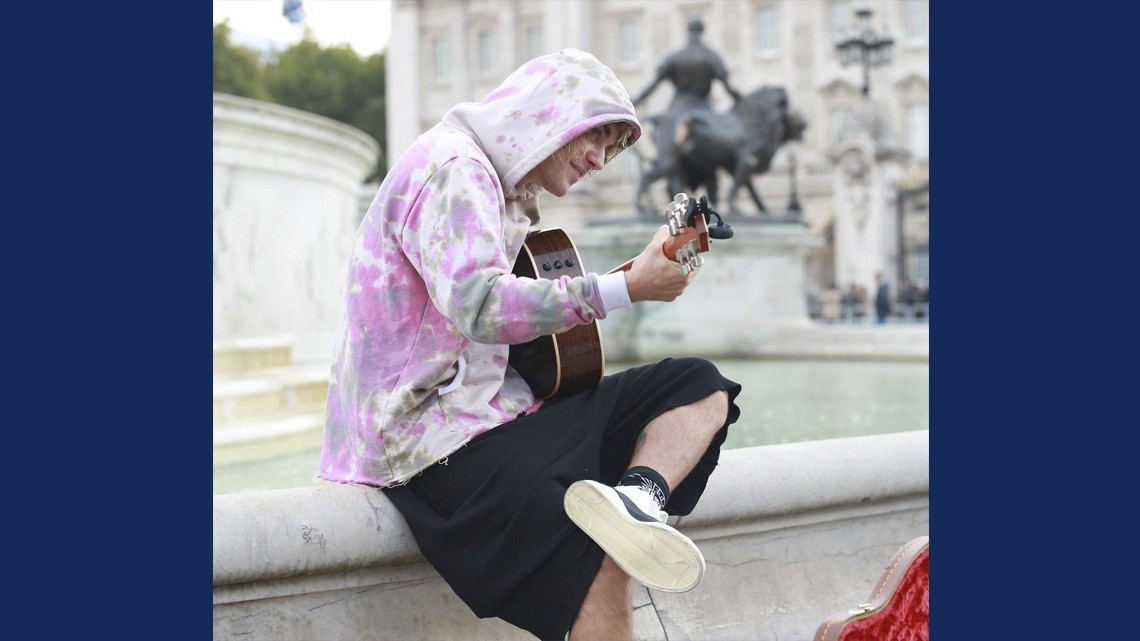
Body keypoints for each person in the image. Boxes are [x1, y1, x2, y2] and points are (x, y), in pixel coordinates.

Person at [319, 48, 742, 641]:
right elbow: (482, 305)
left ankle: (635, 504)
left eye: (615, 145)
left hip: (497, 418)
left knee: (696, 385)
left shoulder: (504, 194)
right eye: (595, 135)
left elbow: (514, 318)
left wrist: (635, 275)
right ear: (550, 115)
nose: (600, 159)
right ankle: (614, 526)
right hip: (424, 441)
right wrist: (622, 287)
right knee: (590, 553)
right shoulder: (454, 168)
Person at [631, 18, 743, 208]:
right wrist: (742, 100)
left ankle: (644, 199)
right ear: (702, 31)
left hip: (677, 110)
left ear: (688, 32)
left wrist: (633, 102)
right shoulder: (711, 56)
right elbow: (729, 88)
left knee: (666, 163)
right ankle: (714, 203)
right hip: (704, 112)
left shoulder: (675, 57)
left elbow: (652, 86)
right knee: (712, 162)